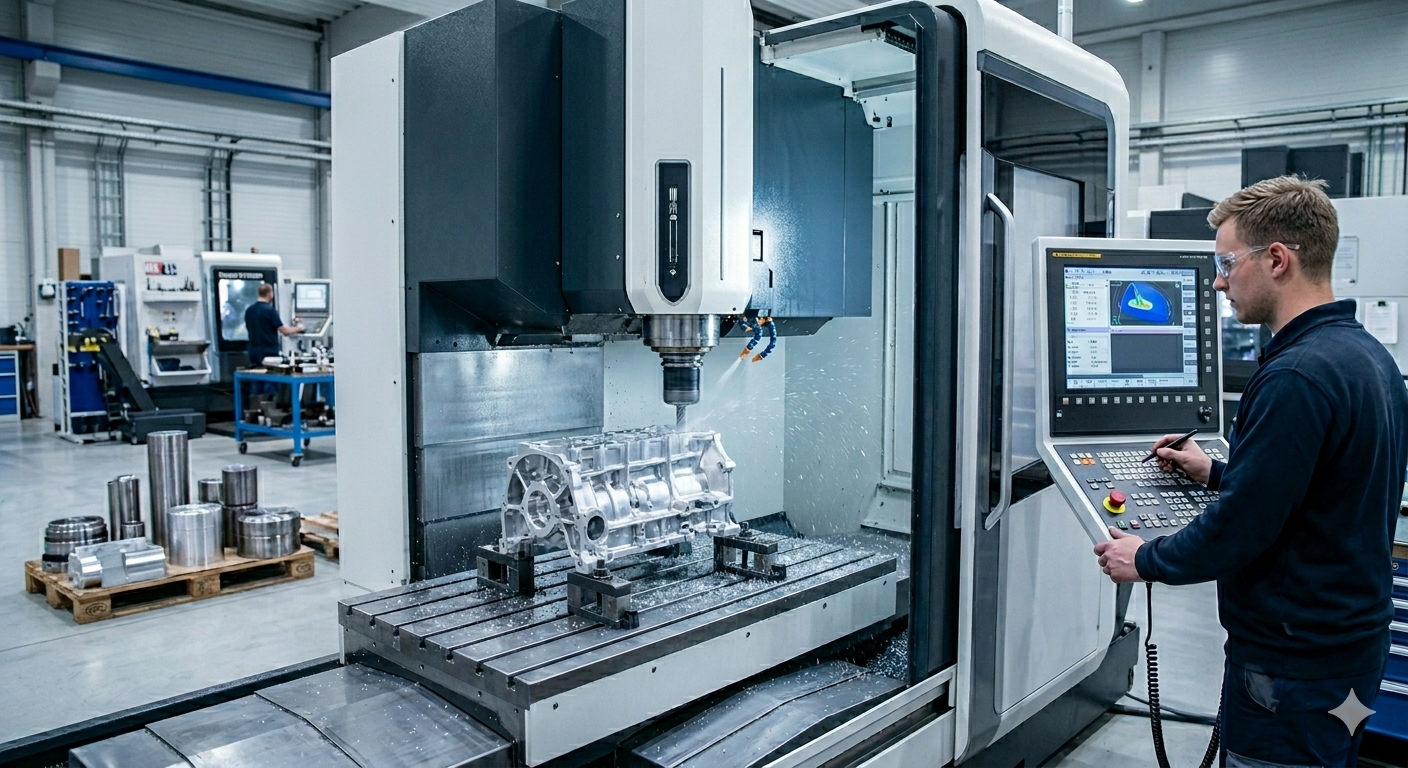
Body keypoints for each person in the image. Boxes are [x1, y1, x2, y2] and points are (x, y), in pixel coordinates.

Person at [1094, 176, 1408, 767]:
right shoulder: (1368, 358)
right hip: (1350, 654)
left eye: (1226, 263)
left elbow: (1240, 529)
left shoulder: (1295, 376)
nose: (1218, 282)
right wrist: (1216, 472)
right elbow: (1322, 489)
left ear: (1278, 259)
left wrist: (1146, 558)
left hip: (1291, 670)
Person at [243, 283, 303, 395]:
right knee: (270, 381)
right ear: (270, 294)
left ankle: (256, 404)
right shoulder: (269, 310)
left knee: (256, 380)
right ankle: (269, 404)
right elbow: (284, 331)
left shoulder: (249, 310)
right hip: (268, 352)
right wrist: (299, 328)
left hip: (253, 351)